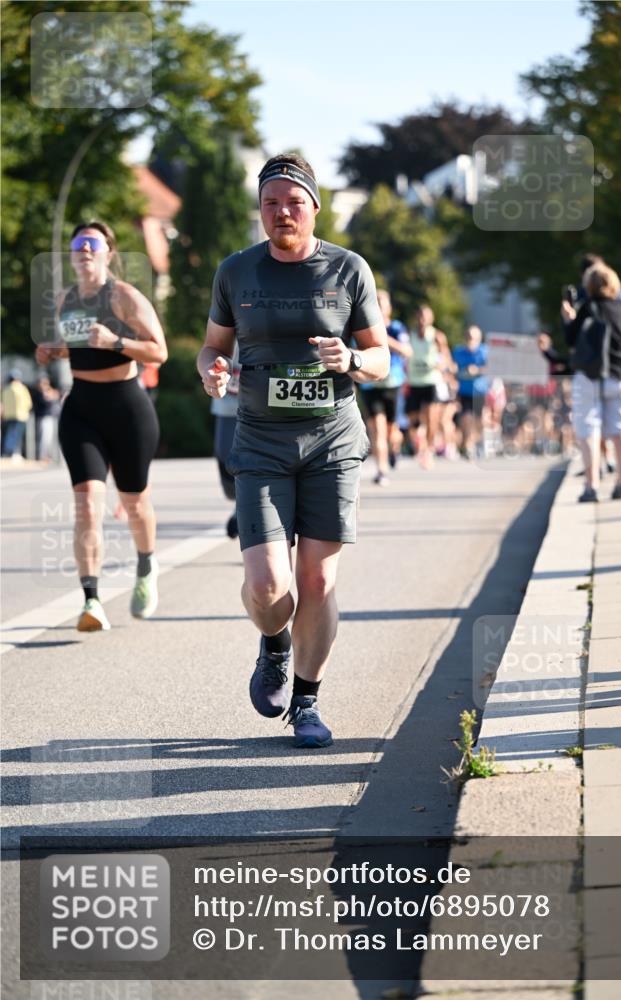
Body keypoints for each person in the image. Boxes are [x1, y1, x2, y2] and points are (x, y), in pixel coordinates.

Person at [198, 152, 389, 749]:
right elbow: (210, 348)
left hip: (332, 440)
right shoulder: (236, 271)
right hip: (259, 442)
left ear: (314, 206)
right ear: (260, 210)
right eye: (271, 203)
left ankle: (306, 702)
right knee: (266, 589)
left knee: (320, 581)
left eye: (294, 202)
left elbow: (382, 357)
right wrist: (213, 372)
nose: (282, 212)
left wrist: (352, 360)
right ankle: (275, 643)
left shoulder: (348, 269)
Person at [35, 221, 168, 630]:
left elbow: (158, 352)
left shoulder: (124, 297)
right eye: (78, 245)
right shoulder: (64, 300)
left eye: (92, 243)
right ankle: (91, 600)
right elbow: (70, 349)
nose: (84, 250)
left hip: (127, 409)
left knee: (134, 503)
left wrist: (114, 341)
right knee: (87, 505)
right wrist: (52, 352)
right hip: (82, 410)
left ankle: (146, 566)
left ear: (108, 253)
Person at [562, 263, 621, 501]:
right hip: (620, 374)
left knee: (588, 431)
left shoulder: (587, 309)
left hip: (589, 376)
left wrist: (568, 319)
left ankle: (591, 486)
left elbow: (571, 340)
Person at [359, 288, 411, 485]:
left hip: (393, 383)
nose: (379, 307)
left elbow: (407, 351)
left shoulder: (397, 328)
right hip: (370, 385)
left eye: (383, 303)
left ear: (389, 307)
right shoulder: (362, 327)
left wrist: (382, 339)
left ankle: (395, 450)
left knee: (392, 432)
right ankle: (382, 470)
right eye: (376, 303)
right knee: (377, 430)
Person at [405, 305, 450, 468]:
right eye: (420, 316)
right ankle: (419, 445)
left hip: (432, 381)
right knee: (413, 420)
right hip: (414, 382)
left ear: (431, 319)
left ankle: (429, 450)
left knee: (432, 418)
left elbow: (446, 358)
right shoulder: (410, 335)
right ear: (416, 318)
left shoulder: (437, 336)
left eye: (426, 316)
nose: (422, 319)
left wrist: (441, 365)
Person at [211, 343, 241, 538]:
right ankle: (240, 503)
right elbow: (210, 348)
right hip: (229, 402)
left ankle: (243, 510)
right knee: (225, 458)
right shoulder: (225, 311)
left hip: (266, 401)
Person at [452, 325, 489, 459]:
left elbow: (492, 367)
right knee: (466, 418)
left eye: (473, 337)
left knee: (479, 419)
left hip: (480, 390)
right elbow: (453, 367)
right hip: (464, 391)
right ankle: (468, 445)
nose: (470, 340)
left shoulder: (485, 351)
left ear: (479, 338)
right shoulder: (458, 351)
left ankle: (479, 442)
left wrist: (477, 370)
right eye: (468, 337)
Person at [1, 369, 33, 458]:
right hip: (20, 415)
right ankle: (11, 453)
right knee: (16, 435)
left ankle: (6, 452)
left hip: (7, 415)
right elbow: (28, 403)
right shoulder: (22, 388)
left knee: (8, 434)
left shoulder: (5, 389)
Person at [30, 374, 61, 462]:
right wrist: (50, 395)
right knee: (44, 439)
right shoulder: (38, 393)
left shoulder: (48, 392)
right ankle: (42, 456)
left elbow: (56, 397)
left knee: (50, 439)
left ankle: (49, 456)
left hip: (52, 418)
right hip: (43, 417)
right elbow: (46, 402)